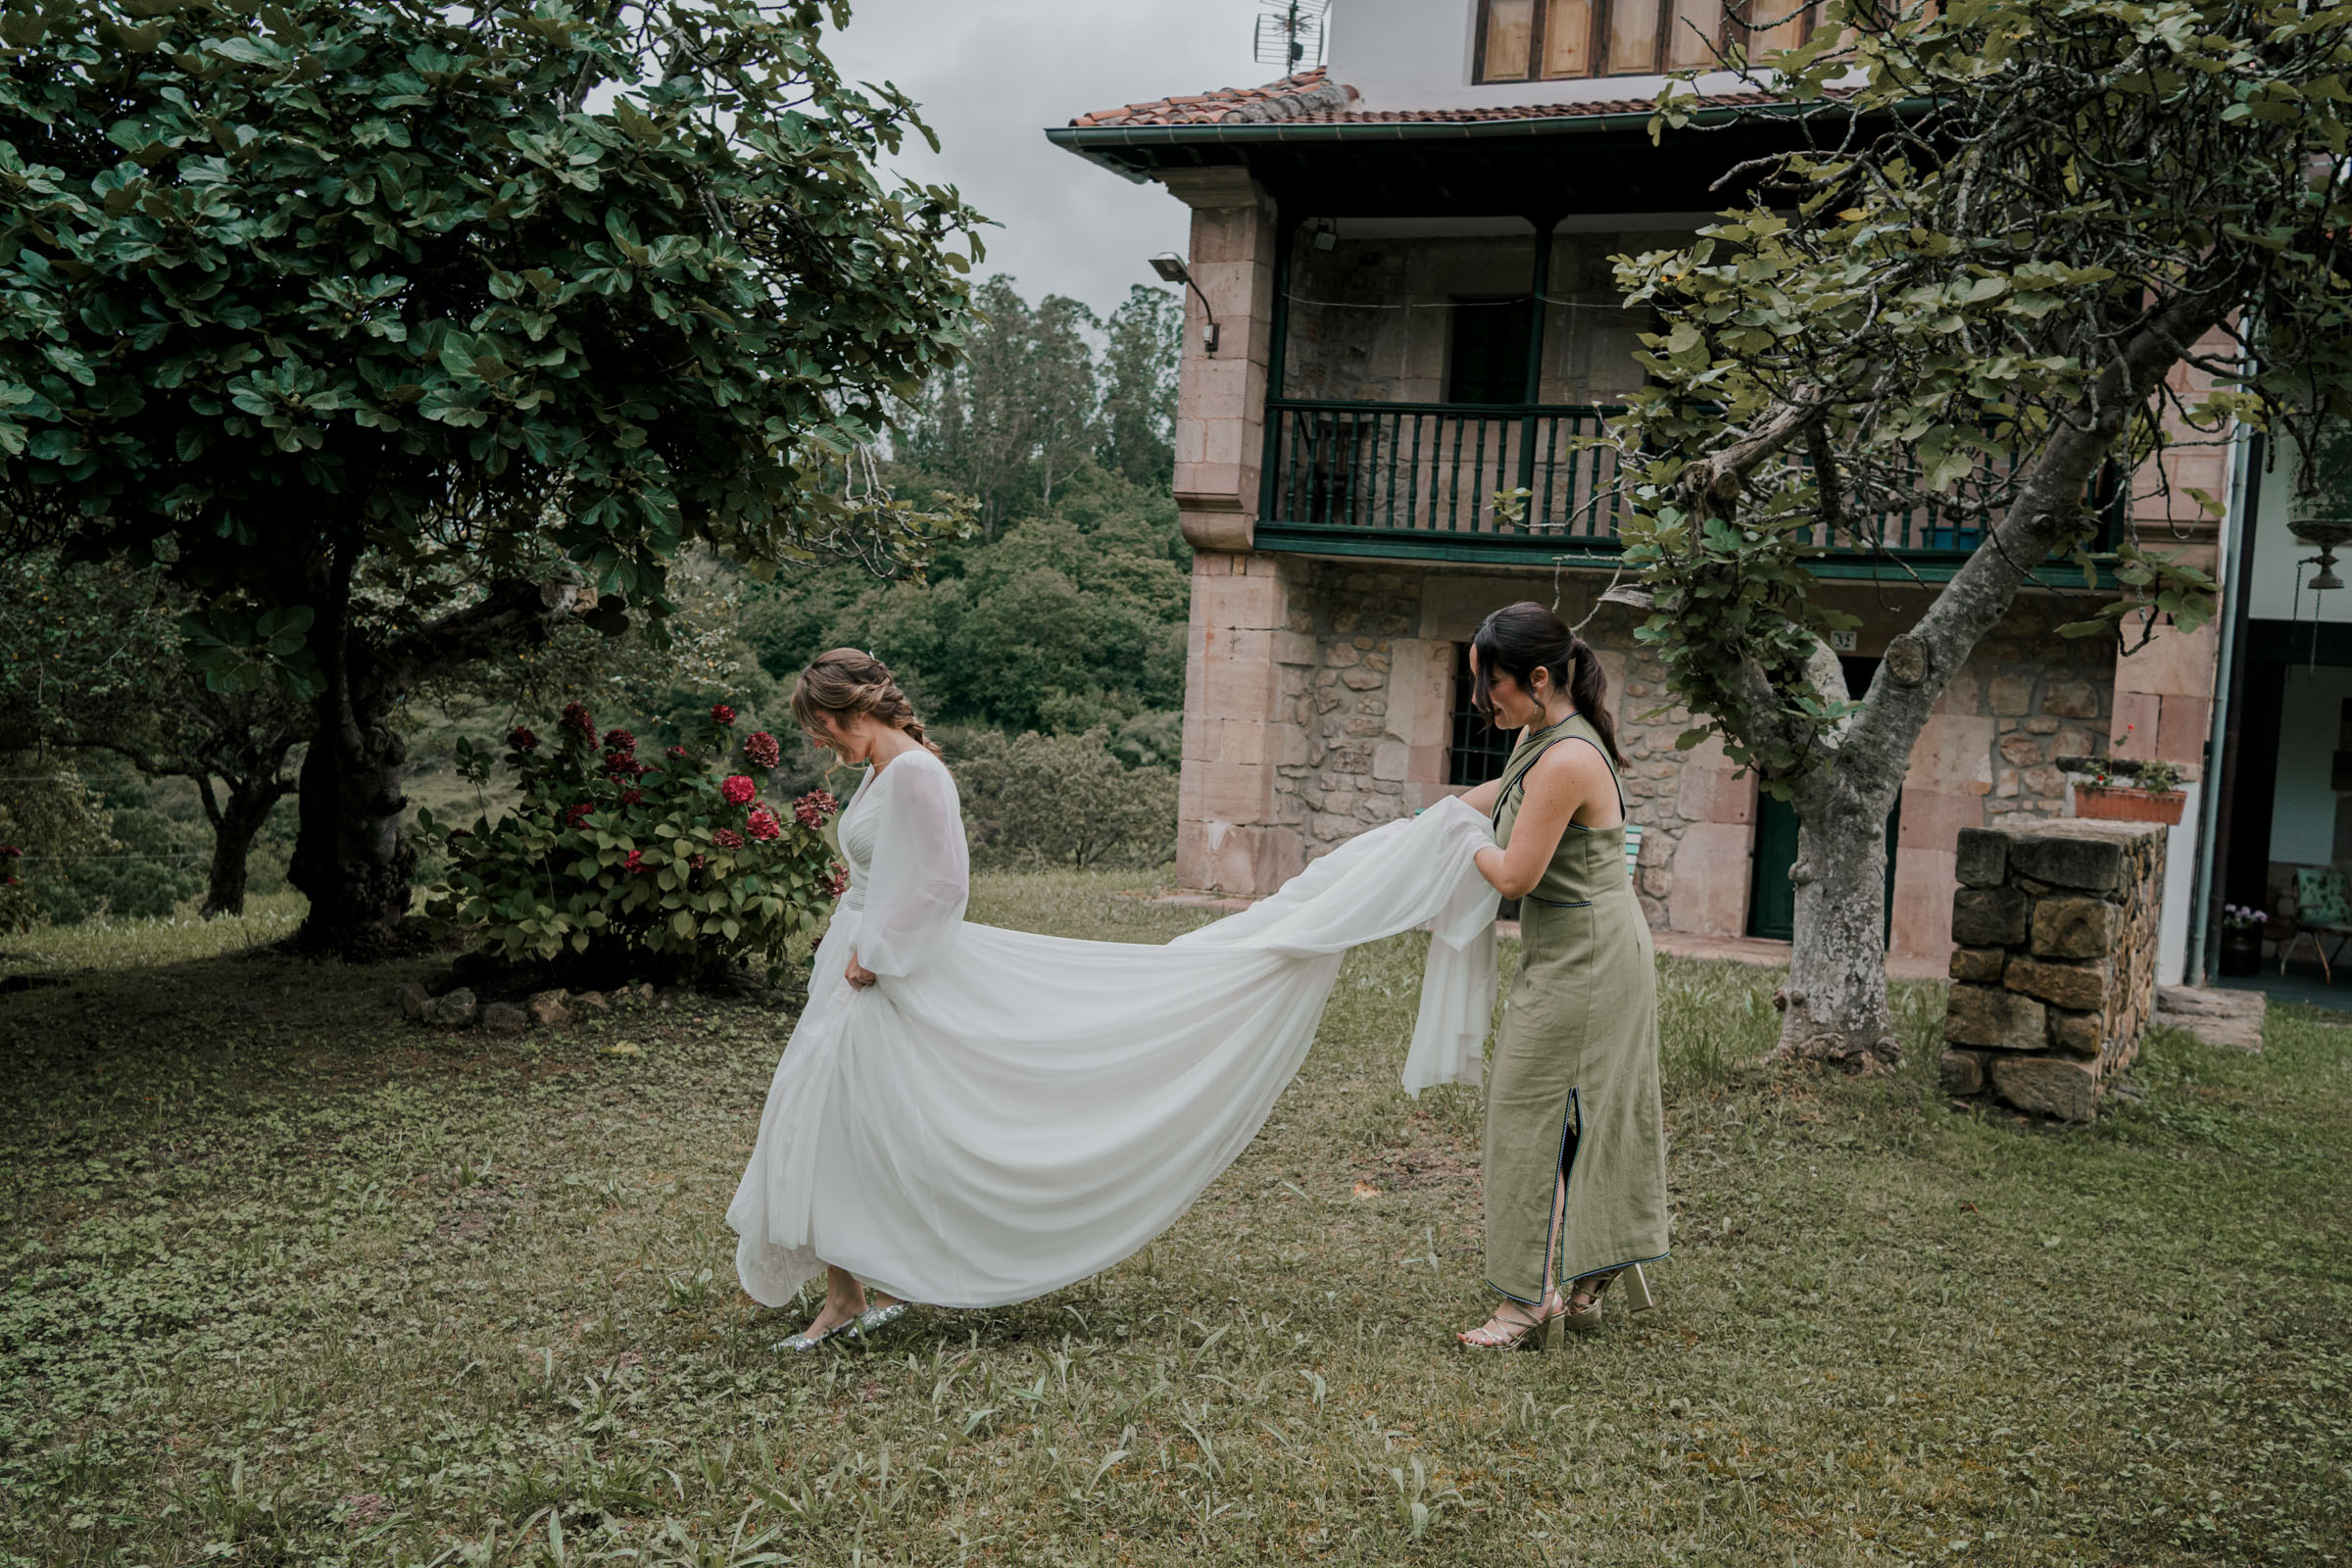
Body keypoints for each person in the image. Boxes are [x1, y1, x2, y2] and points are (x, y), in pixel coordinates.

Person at [727, 649, 1505, 1348]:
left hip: (881, 967)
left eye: (822, 727)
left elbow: (942, 887)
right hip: (859, 963)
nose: (820, 743)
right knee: (846, 1119)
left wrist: (876, 956)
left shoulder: (916, 773)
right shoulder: (879, 769)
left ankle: (856, 1294)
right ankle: (856, 1289)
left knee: (856, 1118)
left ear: (851, 710)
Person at [1450, 602, 1669, 1350]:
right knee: (1573, 1111)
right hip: (1571, 951)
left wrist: (1456, 845)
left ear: (1538, 678)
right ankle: (1590, 1274)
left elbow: (1514, 875)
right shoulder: (1538, 738)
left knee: (1528, 1113)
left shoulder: (1568, 757)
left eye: (1491, 685)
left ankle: (1526, 1303)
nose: (1481, 701)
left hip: (1594, 959)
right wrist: (1435, 817)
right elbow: (1502, 798)